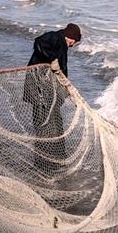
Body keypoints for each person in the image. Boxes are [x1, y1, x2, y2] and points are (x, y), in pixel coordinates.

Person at [24, 23, 81, 171]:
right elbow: (39, 42)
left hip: (47, 87)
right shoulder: (56, 37)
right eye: (73, 42)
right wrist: (51, 59)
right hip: (38, 85)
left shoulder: (63, 44)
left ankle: (53, 158)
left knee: (53, 121)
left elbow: (61, 69)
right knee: (43, 122)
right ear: (71, 37)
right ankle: (44, 162)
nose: (72, 45)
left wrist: (66, 87)